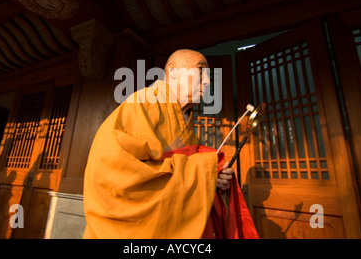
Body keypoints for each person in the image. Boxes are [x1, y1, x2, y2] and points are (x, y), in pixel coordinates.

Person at [83, 49, 258, 238]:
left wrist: (214, 180)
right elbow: (111, 171)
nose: (207, 81)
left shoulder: (187, 126)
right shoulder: (140, 104)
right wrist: (203, 173)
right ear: (173, 72)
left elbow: (189, 177)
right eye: (201, 71)